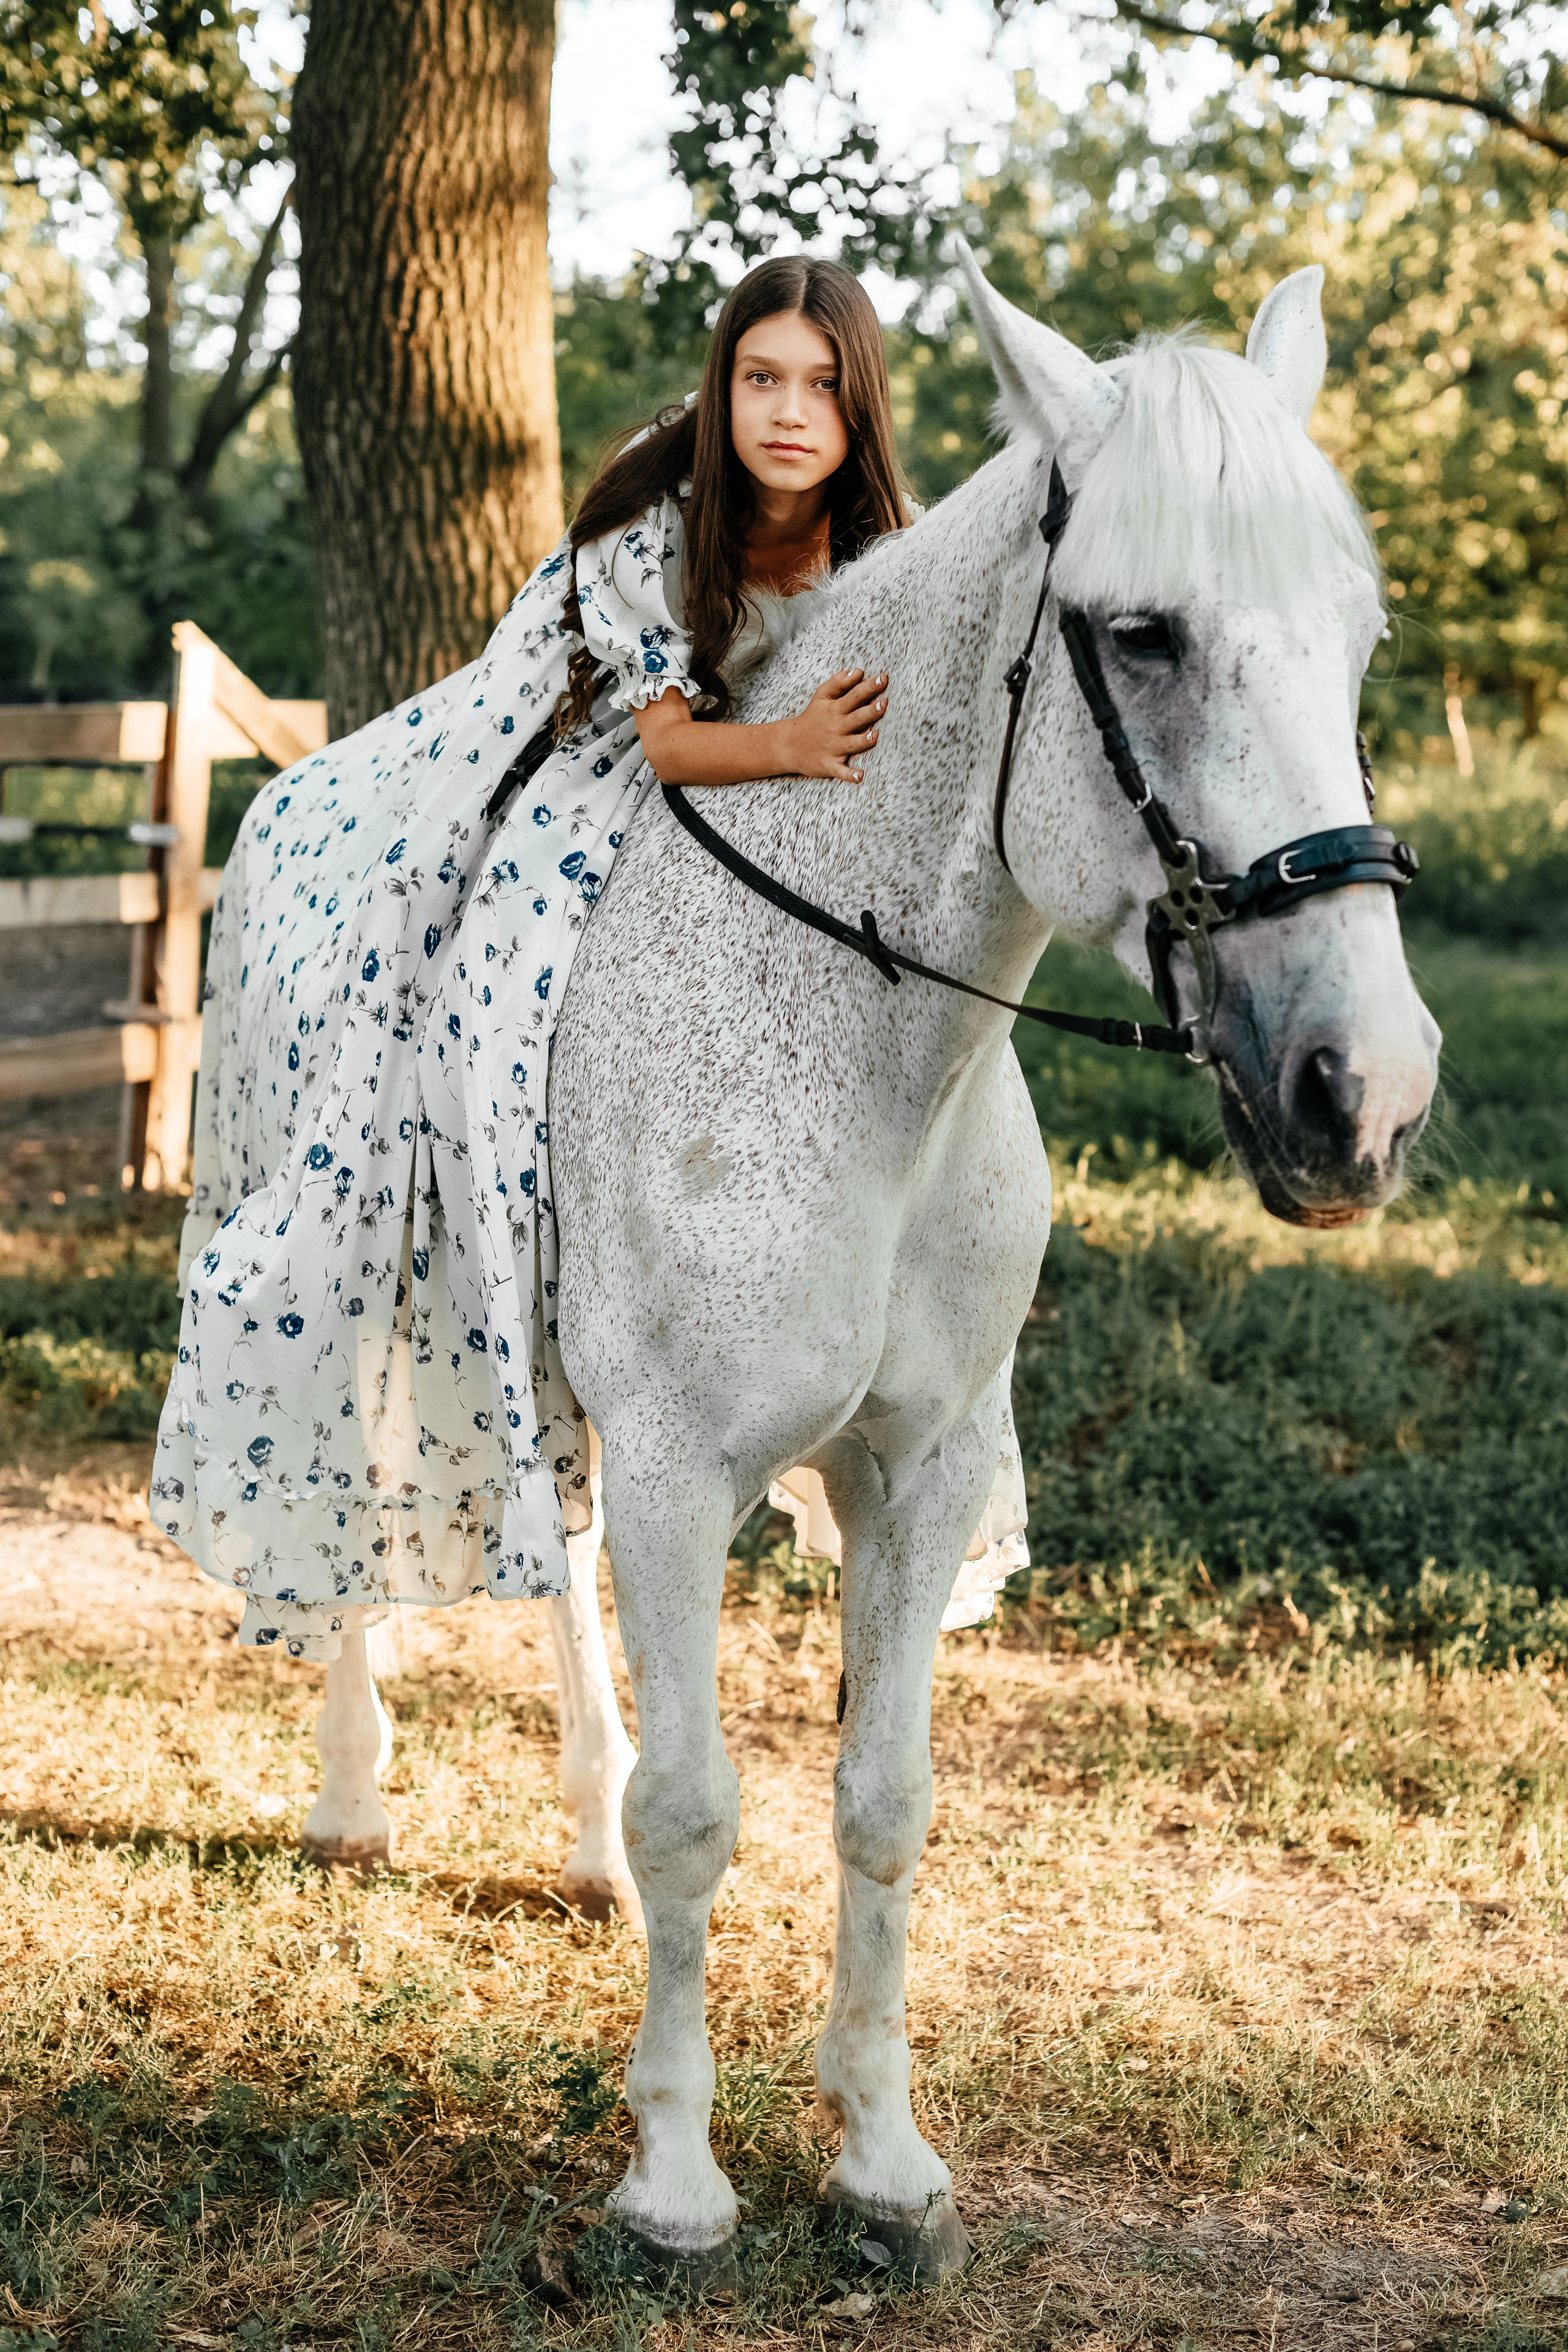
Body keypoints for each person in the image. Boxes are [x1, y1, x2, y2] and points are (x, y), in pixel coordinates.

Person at [151, 254, 1027, 1659]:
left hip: (782, 800)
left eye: (817, 385)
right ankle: (475, 1247)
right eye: (759, 380)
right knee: (480, 990)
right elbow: (677, 746)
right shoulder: (662, 514)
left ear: (856, 404)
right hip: (601, 761)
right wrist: (796, 747)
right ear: (721, 387)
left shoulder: (881, 541)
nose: (786, 412)